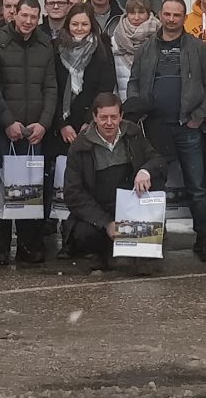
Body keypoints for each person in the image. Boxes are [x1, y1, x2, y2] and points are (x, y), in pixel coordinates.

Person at [124, 0, 206, 262]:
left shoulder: (197, 47)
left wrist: (200, 116)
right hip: (154, 128)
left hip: (188, 127)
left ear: (184, 17)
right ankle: (152, 240)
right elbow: (133, 82)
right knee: (154, 186)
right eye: (167, 14)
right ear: (160, 14)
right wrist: (138, 109)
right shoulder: (146, 48)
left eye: (177, 15)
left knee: (198, 187)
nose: (171, 19)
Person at [0, 0, 59, 266]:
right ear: (14, 14)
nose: (28, 21)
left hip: (34, 130)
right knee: (2, 189)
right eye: (24, 15)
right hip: (3, 130)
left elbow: (51, 88)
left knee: (30, 188)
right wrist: (7, 121)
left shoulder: (45, 45)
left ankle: (28, 246)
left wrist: (44, 123)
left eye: (33, 17)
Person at [61, 94, 170, 273]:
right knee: (82, 233)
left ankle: (138, 251)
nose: (109, 123)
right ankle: (104, 252)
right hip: (100, 210)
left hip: (130, 210)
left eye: (114, 117)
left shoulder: (133, 134)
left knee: (155, 180)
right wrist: (106, 223)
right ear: (95, 117)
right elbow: (73, 193)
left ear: (121, 116)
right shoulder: (79, 146)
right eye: (104, 117)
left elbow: (158, 161)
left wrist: (145, 171)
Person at [54, 5, 122, 148]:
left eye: (84, 24)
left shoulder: (102, 48)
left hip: (91, 121)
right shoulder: (56, 47)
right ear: (68, 24)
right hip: (60, 123)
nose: (79, 28)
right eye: (75, 24)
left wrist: (89, 121)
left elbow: (106, 86)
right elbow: (52, 87)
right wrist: (62, 124)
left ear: (92, 25)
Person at [110, 0, 161, 102]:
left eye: (141, 13)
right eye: (132, 13)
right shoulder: (116, 40)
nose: (136, 18)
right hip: (123, 102)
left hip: (153, 101)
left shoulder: (160, 38)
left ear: (148, 14)